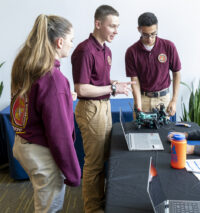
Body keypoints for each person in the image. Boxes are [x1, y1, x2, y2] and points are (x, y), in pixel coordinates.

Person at [10, 14, 81, 212]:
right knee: (49, 207)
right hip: (41, 151)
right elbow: (59, 135)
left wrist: (64, 97)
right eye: (71, 40)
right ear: (60, 42)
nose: (71, 44)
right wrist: (74, 173)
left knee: (42, 197)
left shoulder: (26, 64)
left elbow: (33, 101)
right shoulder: (53, 79)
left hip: (23, 142)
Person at [71, 5, 133, 213]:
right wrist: (113, 88)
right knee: (94, 164)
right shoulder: (84, 50)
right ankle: (92, 208)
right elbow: (81, 88)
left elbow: (98, 82)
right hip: (91, 110)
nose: (116, 31)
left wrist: (116, 85)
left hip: (104, 107)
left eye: (117, 26)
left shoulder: (106, 50)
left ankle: (101, 201)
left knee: (105, 158)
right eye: (112, 26)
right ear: (98, 24)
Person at [125, 12, 181, 116]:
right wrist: (138, 105)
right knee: (140, 130)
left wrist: (174, 100)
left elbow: (176, 73)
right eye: (145, 35)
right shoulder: (131, 51)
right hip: (143, 99)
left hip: (163, 99)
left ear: (157, 28)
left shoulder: (168, 46)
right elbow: (135, 80)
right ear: (139, 29)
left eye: (153, 34)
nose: (150, 39)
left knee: (164, 130)